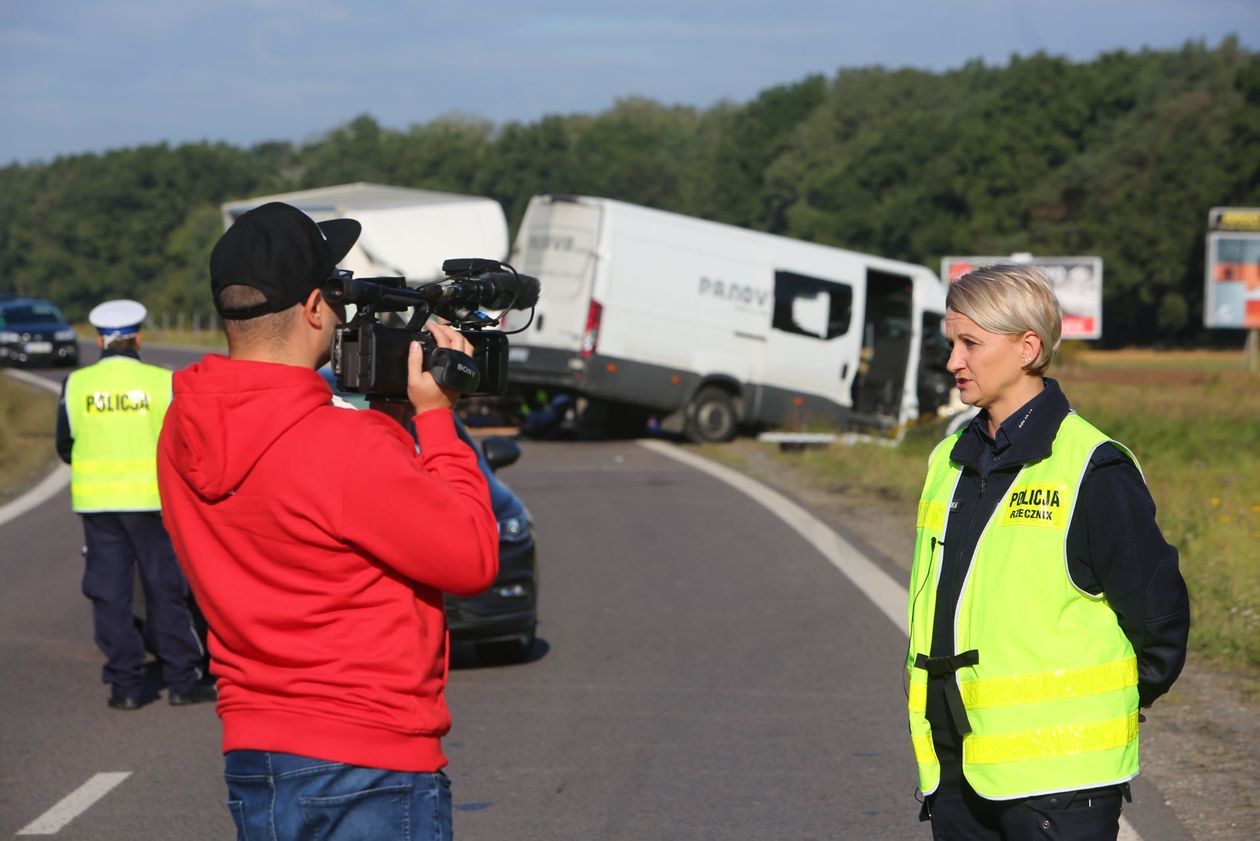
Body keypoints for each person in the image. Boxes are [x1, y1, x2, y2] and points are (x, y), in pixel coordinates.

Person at [156, 202, 499, 840]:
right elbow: (472, 556)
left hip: (258, 754)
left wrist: (388, 414)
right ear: (315, 308)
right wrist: (435, 419)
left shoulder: (182, 428)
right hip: (368, 758)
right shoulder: (341, 446)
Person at [905, 264, 1190, 840]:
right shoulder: (949, 459)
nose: (952, 361)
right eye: (950, 344)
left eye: (969, 344)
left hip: (1062, 785)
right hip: (957, 767)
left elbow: (1159, 617)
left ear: (1026, 348)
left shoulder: (1092, 466)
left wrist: (1106, 711)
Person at [56, 299, 211, 710]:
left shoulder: (77, 384)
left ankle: (125, 687)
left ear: (99, 340)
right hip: (154, 503)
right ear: (138, 337)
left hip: (98, 505)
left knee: (110, 593)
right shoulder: (163, 381)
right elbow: (187, 442)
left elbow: (65, 445)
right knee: (167, 590)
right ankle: (183, 680)